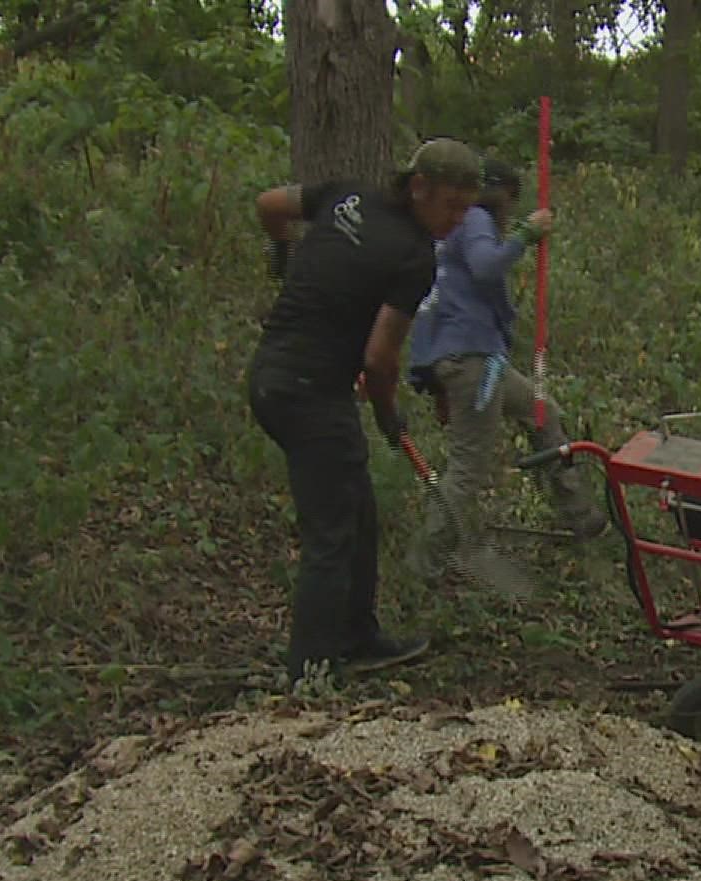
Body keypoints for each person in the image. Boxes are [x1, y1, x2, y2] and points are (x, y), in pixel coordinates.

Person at [246, 138, 485, 685]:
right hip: (308, 393)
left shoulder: (344, 196)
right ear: (418, 187)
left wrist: (281, 256)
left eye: (464, 211)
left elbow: (269, 205)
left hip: (274, 376)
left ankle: (358, 637)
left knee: (358, 512)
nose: (453, 220)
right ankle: (310, 672)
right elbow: (380, 359)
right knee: (332, 531)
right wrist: (385, 414)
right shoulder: (412, 256)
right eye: (448, 205)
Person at [405, 158, 607, 578]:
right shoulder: (476, 219)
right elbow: (484, 265)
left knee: (541, 411)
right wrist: (526, 236)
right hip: (473, 361)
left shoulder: (445, 231)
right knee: (468, 466)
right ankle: (425, 563)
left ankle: (581, 515)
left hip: (476, 359)